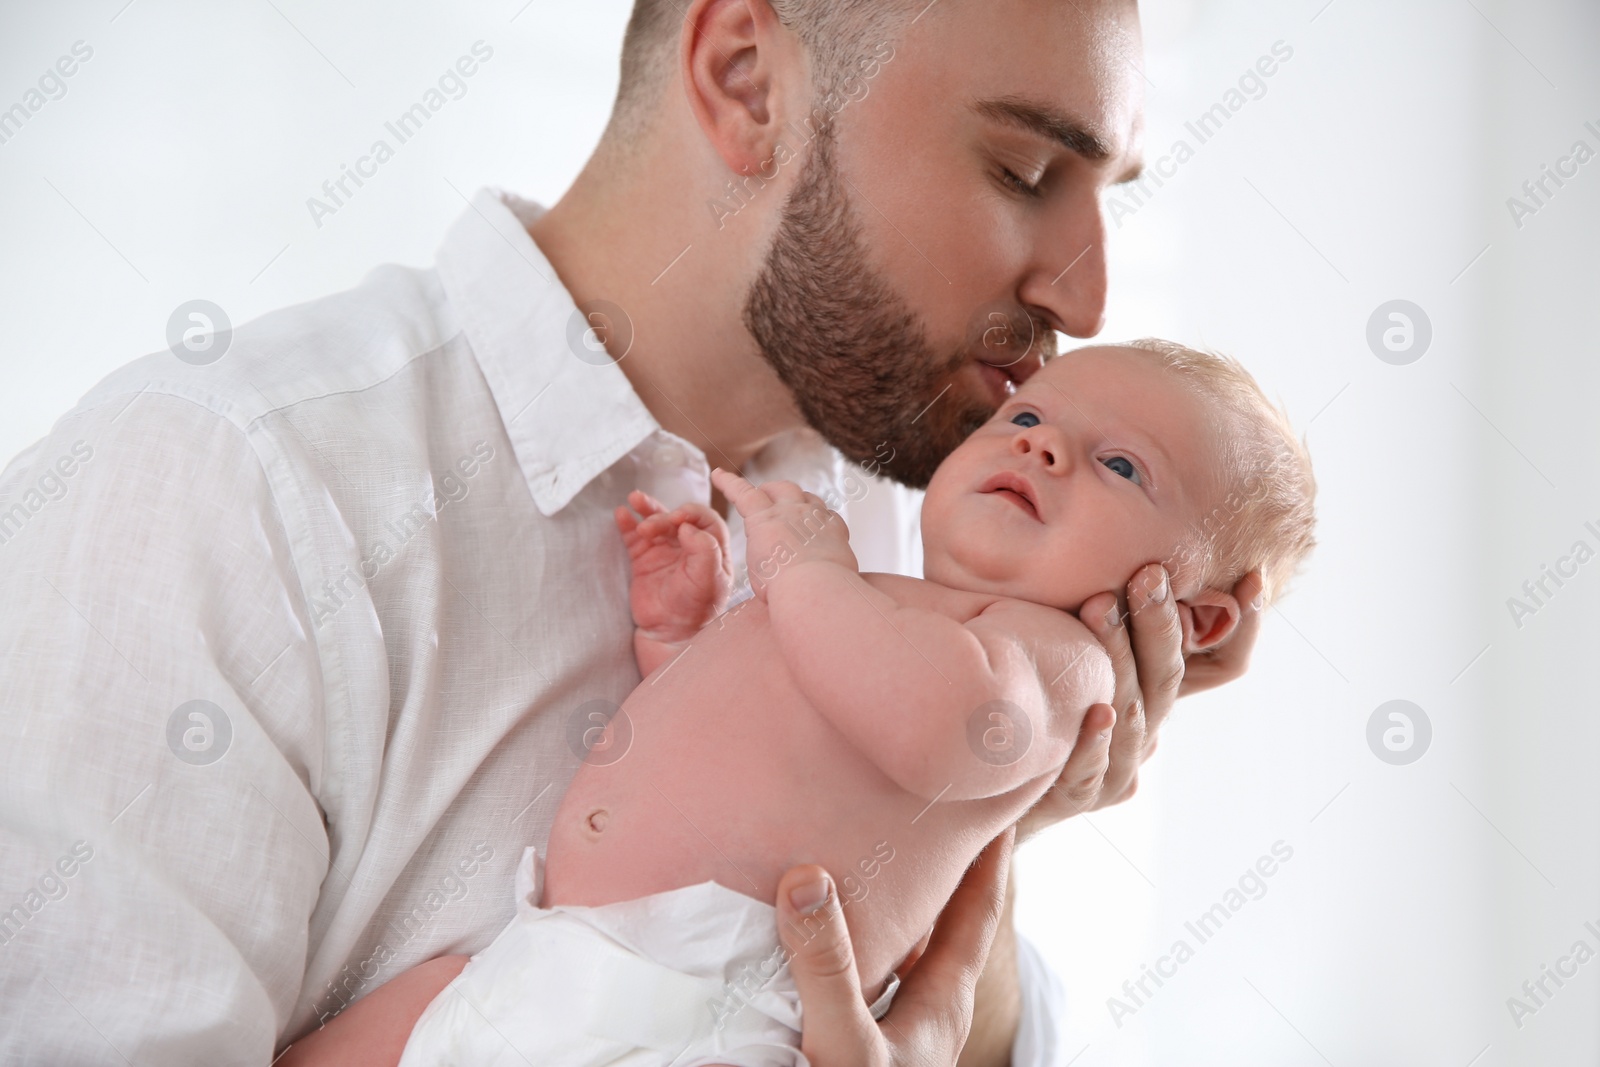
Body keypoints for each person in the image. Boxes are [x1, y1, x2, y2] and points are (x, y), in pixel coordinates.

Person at [0, 2, 1264, 1064]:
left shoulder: (941, 511)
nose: (1085, 297)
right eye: (1027, 174)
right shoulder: (225, 488)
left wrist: (993, 828)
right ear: (745, 80)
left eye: (1106, 201)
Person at [275, 341, 1313, 1066]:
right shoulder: (889, 599)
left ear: (1196, 618)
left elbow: (924, 718)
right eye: (1028, 416)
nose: (1042, 446)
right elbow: (755, 731)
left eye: (1122, 464)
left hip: (708, 1011)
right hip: (537, 955)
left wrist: (806, 570)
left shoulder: (1053, 663)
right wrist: (682, 635)